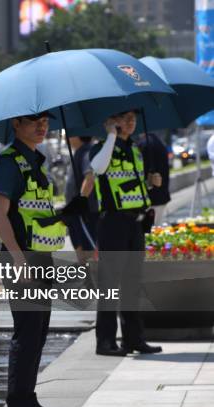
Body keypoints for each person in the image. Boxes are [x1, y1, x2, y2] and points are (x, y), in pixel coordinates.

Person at [0, 112, 67, 407]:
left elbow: (33, 212)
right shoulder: (8, 163)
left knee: (38, 333)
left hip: (40, 258)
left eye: (45, 120)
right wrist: (19, 260)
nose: (41, 126)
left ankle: (29, 401)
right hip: (20, 260)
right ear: (15, 125)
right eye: (33, 120)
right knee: (27, 333)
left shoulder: (36, 160)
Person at [89, 110, 163, 357]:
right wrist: (110, 135)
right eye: (124, 117)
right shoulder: (101, 148)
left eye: (133, 117)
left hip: (135, 222)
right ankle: (105, 342)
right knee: (110, 284)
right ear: (112, 120)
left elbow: (131, 185)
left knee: (132, 283)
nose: (130, 122)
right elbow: (99, 168)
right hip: (112, 223)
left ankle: (134, 339)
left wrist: (151, 182)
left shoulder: (135, 149)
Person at [64, 136, 98, 257]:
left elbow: (90, 179)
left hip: (85, 212)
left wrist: (79, 202)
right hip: (77, 214)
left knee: (89, 251)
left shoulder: (87, 152)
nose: (65, 137)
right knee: (80, 247)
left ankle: (93, 274)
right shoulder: (79, 152)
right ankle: (86, 273)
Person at [138, 132, 171, 226]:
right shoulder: (159, 142)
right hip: (162, 194)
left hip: (150, 197)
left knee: (149, 232)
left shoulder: (143, 144)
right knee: (156, 229)